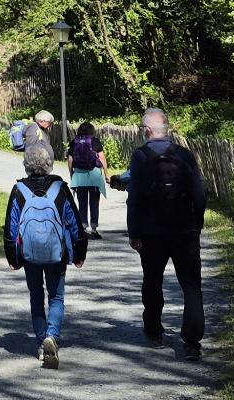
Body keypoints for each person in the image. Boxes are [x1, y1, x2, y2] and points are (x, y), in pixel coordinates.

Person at [125, 107, 207, 360]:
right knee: (191, 285)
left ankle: (154, 331)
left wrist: (134, 232)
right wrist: (197, 222)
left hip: (152, 232)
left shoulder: (141, 156)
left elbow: (134, 196)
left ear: (148, 130)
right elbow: (199, 191)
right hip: (184, 230)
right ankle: (192, 342)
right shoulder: (184, 154)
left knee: (152, 281)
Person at [3, 139, 85, 368]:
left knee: (36, 295)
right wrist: (80, 253)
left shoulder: (19, 190)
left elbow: (10, 227)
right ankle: (52, 336)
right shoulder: (60, 188)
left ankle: (41, 343)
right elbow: (74, 222)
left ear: (26, 165)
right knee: (56, 297)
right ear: (49, 164)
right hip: (57, 252)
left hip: (29, 254)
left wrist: (12, 257)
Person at [67, 120, 109, 237]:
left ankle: (84, 228)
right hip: (94, 176)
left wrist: (72, 174)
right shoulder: (95, 141)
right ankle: (94, 229)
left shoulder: (74, 142)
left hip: (79, 176)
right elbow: (102, 158)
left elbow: (70, 160)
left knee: (82, 203)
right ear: (92, 130)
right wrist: (106, 174)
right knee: (94, 203)